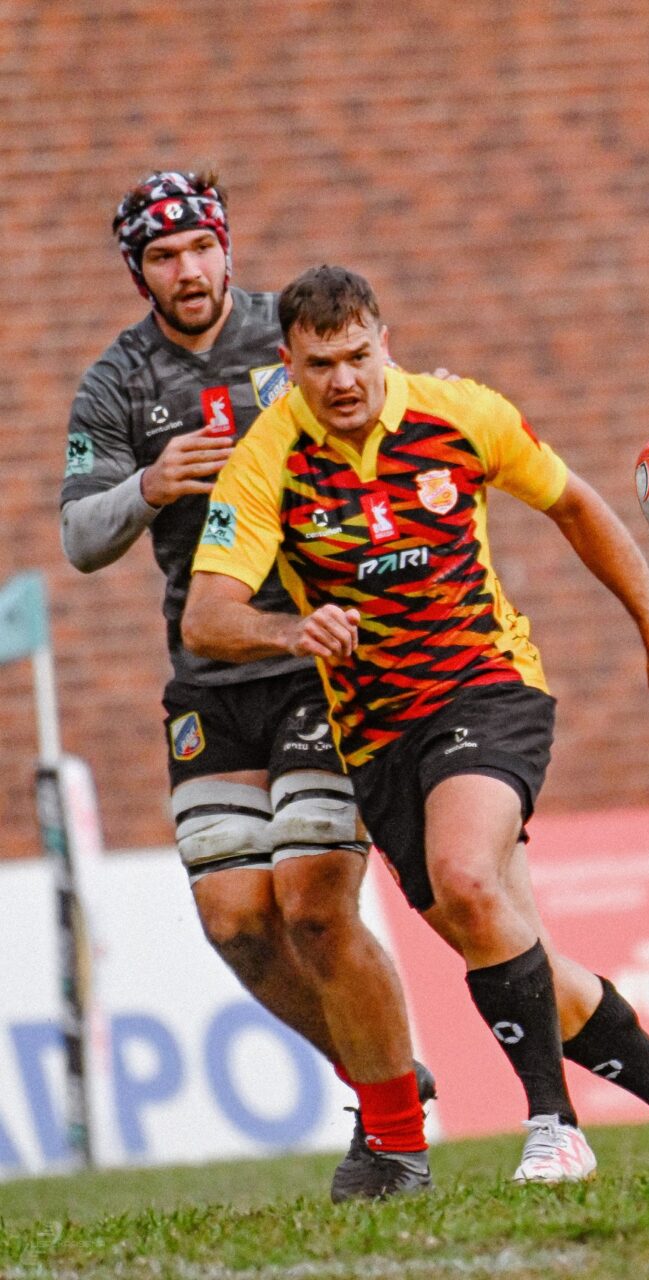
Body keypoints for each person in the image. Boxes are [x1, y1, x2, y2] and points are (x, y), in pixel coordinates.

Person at [181, 265, 649, 1184]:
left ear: (385, 343)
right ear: (290, 363)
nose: (344, 380)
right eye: (320, 365)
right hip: (375, 733)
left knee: (467, 876)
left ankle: (555, 1127)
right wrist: (289, 630)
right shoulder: (268, 457)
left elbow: (574, 505)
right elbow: (207, 616)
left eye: (358, 356)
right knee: (503, 939)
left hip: (486, 687)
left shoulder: (462, 414)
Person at [61, 171, 429, 1199]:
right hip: (211, 674)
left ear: (226, 248)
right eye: (163, 257)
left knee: (312, 906)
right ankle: (384, 1074)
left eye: (200, 248)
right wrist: (150, 483)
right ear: (138, 271)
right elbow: (80, 535)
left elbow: (399, 415)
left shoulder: (294, 332)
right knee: (235, 921)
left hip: (317, 658)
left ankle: (395, 1135)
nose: (188, 270)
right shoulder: (118, 381)